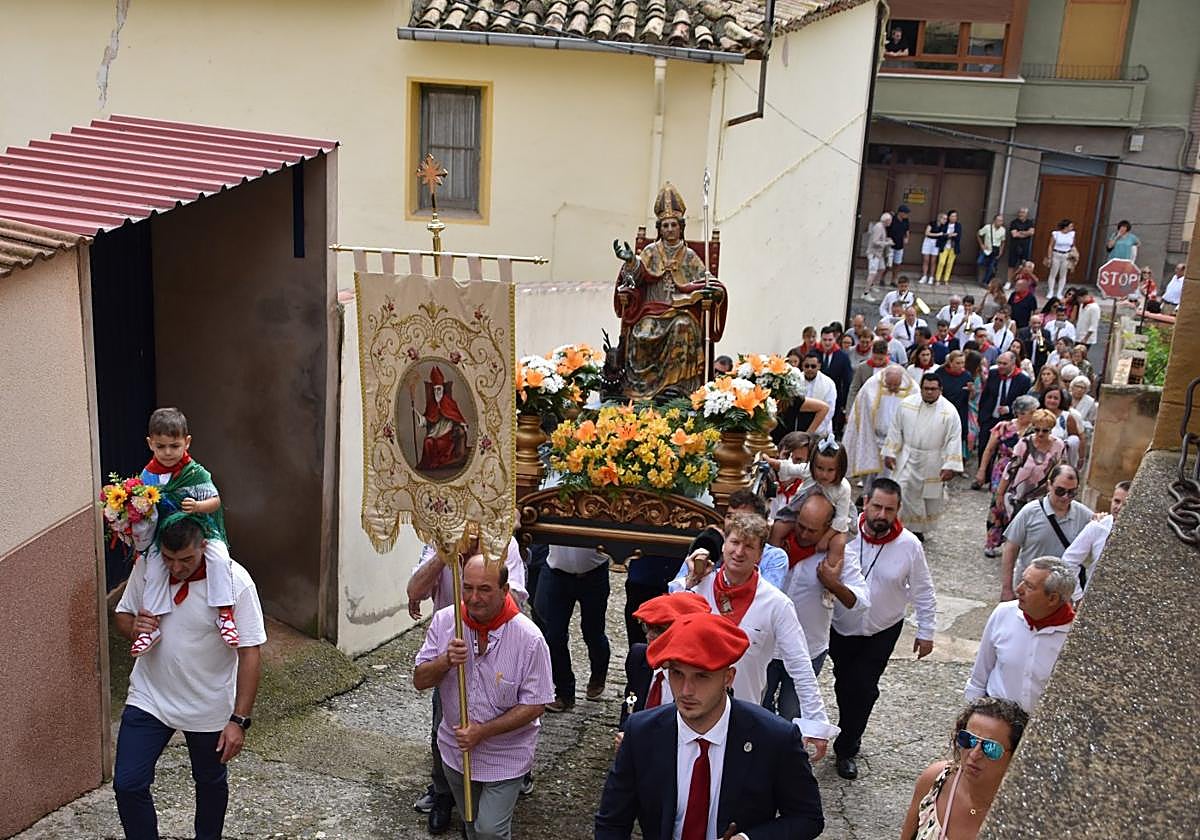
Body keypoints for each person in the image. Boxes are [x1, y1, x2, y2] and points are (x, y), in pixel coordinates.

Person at [594, 612, 825, 840]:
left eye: (702, 677)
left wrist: (747, 839)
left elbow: (807, 817)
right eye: (677, 674)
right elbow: (612, 822)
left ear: (728, 677)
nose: (686, 691)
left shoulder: (774, 738)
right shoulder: (641, 732)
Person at [113, 514, 266, 840]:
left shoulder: (235, 580)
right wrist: (134, 627)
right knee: (128, 784)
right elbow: (123, 616)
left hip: (208, 705)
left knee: (209, 781)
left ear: (204, 546)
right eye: (169, 558)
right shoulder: (149, 567)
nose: (176, 567)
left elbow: (250, 652)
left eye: (186, 559)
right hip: (150, 697)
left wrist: (239, 720)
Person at [671, 512, 840, 753]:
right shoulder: (696, 587)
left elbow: (800, 664)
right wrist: (688, 583)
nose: (739, 552)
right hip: (690, 710)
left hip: (743, 715)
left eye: (749, 546)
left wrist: (816, 723)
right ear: (724, 545)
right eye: (735, 542)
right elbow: (668, 631)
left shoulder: (776, 603)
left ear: (760, 554)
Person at [414, 555, 553, 840]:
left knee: (490, 831)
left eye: (485, 589)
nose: (474, 598)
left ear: (505, 590)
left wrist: (482, 731)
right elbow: (420, 680)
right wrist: (444, 661)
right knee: (471, 824)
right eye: (467, 588)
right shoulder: (446, 621)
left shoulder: (530, 639)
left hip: (505, 755)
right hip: (455, 752)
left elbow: (536, 704)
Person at [830, 478, 936, 780]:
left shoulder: (909, 546)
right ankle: (849, 727)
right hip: (841, 625)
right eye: (876, 506)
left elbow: (923, 590)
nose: (881, 515)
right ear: (865, 503)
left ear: (898, 509)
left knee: (863, 687)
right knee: (844, 683)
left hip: (883, 628)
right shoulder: (844, 536)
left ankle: (847, 746)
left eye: (889, 509)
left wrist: (926, 631)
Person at [130, 407, 238, 657]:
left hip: (198, 532)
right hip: (164, 536)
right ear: (150, 444)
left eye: (174, 446)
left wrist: (199, 507)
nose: (168, 452)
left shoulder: (195, 473)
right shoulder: (147, 476)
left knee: (220, 557)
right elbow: (142, 504)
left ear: (187, 442)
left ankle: (224, 613)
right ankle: (151, 625)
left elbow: (215, 501)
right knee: (153, 567)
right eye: (161, 446)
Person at [612, 182, 728, 400]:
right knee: (641, 332)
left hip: (680, 313)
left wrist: (714, 292)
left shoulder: (689, 256)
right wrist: (630, 262)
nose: (669, 229)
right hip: (651, 311)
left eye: (673, 224)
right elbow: (634, 279)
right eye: (665, 225)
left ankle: (678, 387)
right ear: (660, 228)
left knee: (683, 327)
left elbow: (707, 280)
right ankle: (640, 389)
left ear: (680, 227)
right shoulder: (650, 252)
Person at [770, 494, 870, 721]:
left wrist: (833, 584)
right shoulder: (779, 542)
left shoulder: (841, 555)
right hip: (768, 645)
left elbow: (862, 602)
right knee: (758, 707)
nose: (804, 535)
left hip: (808, 649)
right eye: (801, 526)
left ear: (828, 528)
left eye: (812, 531)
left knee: (792, 714)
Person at [900, 697, 1029, 840]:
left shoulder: (1024, 816)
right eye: (968, 740)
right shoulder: (935, 781)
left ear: (1016, 755)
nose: (974, 754)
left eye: (990, 748)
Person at [966, 558, 1076, 713]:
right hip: (996, 719)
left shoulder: (1074, 636)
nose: (1018, 589)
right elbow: (979, 676)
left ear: (1052, 598)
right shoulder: (1003, 613)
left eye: (1029, 586)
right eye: (1022, 581)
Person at [883, 374, 963, 539]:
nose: (929, 392)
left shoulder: (949, 412)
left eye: (933, 389)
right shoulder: (906, 405)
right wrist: (890, 452)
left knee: (925, 498)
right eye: (926, 389)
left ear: (940, 390)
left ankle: (917, 530)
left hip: (932, 460)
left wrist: (951, 465)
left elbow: (953, 439)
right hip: (907, 456)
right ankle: (898, 527)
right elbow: (895, 429)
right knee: (901, 490)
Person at [1000, 464, 1092, 600]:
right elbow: (1011, 549)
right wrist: (1007, 588)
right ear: (1049, 485)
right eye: (1060, 491)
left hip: (1062, 595)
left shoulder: (1084, 515)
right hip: (1029, 590)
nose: (1065, 497)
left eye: (1072, 493)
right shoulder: (1030, 512)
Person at [620, 591, 712, 726]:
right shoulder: (639, 656)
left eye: (659, 630)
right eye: (647, 627)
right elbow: (631, 701)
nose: (649, 636)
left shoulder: (703, 675)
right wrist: (626, 729)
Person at [537, 545, 611, 712]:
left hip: (594, 574)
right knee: (554, 635)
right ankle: (564, 692)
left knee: (593, 632)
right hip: (558, 574)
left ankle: (598, 675)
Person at [978, 396, 1040, 553]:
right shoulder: (1004, 427)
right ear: (1021, 413)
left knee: (1018, 507)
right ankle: (992, 542)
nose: (1036, 414)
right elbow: (989, 450)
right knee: (998, 506)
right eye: (1032, 411)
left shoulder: (1036, 430)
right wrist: (982, 470)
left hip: (1025, 473)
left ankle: (1013, 544)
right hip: (1002, 470)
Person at [845, 364, 915, 483]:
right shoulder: (872, 386)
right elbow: (863, 408)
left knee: (892, 477)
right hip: (874, 438)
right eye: (889, 384)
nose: (892, 387)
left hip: (897, 440)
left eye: (896, 385)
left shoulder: (912, 390)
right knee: (870, 475)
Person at [1061, 480, 1130, 599]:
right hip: (1094, 597)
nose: (1118, 508)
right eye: (1116, 501)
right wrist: (1077, 596)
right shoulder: (1098, 526)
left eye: (1125, 504)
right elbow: (1069, 560)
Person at [976, 351, 1031, 470]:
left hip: (1009, 422)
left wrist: (1010, 409)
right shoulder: (993, 373)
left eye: (1004, 364)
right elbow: (985, 395)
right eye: (999, 363)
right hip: (990, 418)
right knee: (984, 447)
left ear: (1013, 363)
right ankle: (983, 473)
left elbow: (1024, 403)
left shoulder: (1023, 379)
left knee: (1004, 452)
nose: (1000, 366)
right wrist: (982, 416)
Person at [417, 366, 470, 471]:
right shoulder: (431, 404)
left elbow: (456, 415)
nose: (437, 392)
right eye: (435, 389)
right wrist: (421, 419)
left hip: (447, 433)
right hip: (435, 432)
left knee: (441, 443)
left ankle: (439, 463)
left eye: (439, 389)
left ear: (442, 389)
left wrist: (462, 423)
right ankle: (430, 465)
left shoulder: (449, 402)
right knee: (427, 442)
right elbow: (428, 419)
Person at [818, 326, 854, 436]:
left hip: (835, 398)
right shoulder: (815, 353)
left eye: (830, 340)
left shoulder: (842, 357)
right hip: (817, 395)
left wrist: (844, 402)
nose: (827, 343)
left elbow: (847, 381)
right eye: (824, 340)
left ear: (835, 339)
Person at [936, 351, 972, 457]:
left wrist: (971, 391)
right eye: (958, 363)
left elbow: (971, 398)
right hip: (943, 411)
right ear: (950, 363)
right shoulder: (940, 373)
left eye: (962, 363)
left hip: (960, 412)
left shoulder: (967, 376)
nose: (961, 366)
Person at [797, 351, 838, 441]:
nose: (810, 369)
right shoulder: (796, 380)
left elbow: (829, 410)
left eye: (813, 366)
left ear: (819, 366)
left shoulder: (828, 384)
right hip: (798, 427)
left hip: (820, 430)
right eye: (807, 366)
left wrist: (812, 432)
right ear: (802, 366)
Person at [848, 339, 891, 408]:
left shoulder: (892, 368)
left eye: (881, 359)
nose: (877, 362)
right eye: (875, 358)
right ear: (872, 353)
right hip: (865, 404)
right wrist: (850, 408)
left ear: (887, 355)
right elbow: (854, 389)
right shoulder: (862, 367)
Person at [864, 212, 893, 301]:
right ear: (886, 220)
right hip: (874, 253)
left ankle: (872, 285)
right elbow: (875, 241)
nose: (891, 222)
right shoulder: (879, 227)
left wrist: (886, 239)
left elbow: (880, 239)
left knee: (882, 268)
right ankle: (866, 293)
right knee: (872, 273)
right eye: (890, 220)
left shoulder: (882, 227)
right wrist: (887, 243)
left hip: (879, 254)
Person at [1045, 219, 1075, 301]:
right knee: (1053, 273)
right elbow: (1050, 246)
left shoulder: (1072, 234)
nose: (1072, 228)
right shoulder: (1056, 234)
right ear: (1065, 227)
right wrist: (1049, 257)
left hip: (1066, 255)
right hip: (1056, 254)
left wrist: (1074, 256)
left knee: (1063, 274)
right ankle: (1050, 291)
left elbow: (1072, 245)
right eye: (1070, 226)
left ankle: (1059, 292)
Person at [964, 350, 986, 458]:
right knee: (971, 432)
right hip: (970, 407)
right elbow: (970, 397)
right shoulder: (968, 376)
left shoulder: (981, 375)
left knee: (976, 431)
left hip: (979, 406)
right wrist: (971, 391)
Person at [1006, 207, 1036, 285]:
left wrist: (1020, 232)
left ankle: (1021, 282)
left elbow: (1031, 232)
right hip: (1014, 247)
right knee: (1011, 265)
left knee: (1024, 265)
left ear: (1026, 214)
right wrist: (1026, 233)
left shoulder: (1030, 223)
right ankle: (1009, 281)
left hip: (1025, 247)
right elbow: (1014, 234)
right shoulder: (1014, 222)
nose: (1021, 214)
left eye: (1023, 212)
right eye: (1020, 212)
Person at [976, 213, 1006, 288]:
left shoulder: (1003, 230)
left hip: (996, 250)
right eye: (998, 220)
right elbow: (978, 234)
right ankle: (989, 268)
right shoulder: (987, 227)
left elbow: (1003, 241)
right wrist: (982, 245)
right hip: (987, 249)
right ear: (994, 221)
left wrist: (1001, 251)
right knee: (980, 262)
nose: (1000, 222)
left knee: (991, 267)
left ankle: (985, 282)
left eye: (1001, 221)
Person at [919, 212, 947, 286]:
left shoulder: (944, 226)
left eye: (946, 219)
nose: (945, 220)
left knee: (933, 261)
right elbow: (927, 233)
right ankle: (924, 276)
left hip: (936, 243)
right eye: (944, 219)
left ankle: (931, 277)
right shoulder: (932, 223)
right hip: (928, 241)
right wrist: (937, 234)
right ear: (939, 218)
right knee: (926, 260)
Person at [934, 209, 961, 285]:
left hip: (953, 247)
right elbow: (941, 235)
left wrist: (948, 235)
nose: (954, 218)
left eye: (955, 216)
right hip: (944, 246)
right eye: (952, 216)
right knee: (941, 262)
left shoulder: (958, 225)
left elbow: (958, 236)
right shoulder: (945, 224)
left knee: (950, 263)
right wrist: (949, 235)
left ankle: (946, 279)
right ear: (949, 217)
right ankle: (937, 279)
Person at [887, 205, 911, 286]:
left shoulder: (906, 221)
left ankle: (893, 280)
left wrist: (907, 238)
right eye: (905, 213)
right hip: (890, 244)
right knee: (888, 264)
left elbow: (907, 230)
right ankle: (882, 278)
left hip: (900, 245)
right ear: (900, 213)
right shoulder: (892, 219)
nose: (906, 215)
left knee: (897, 264)